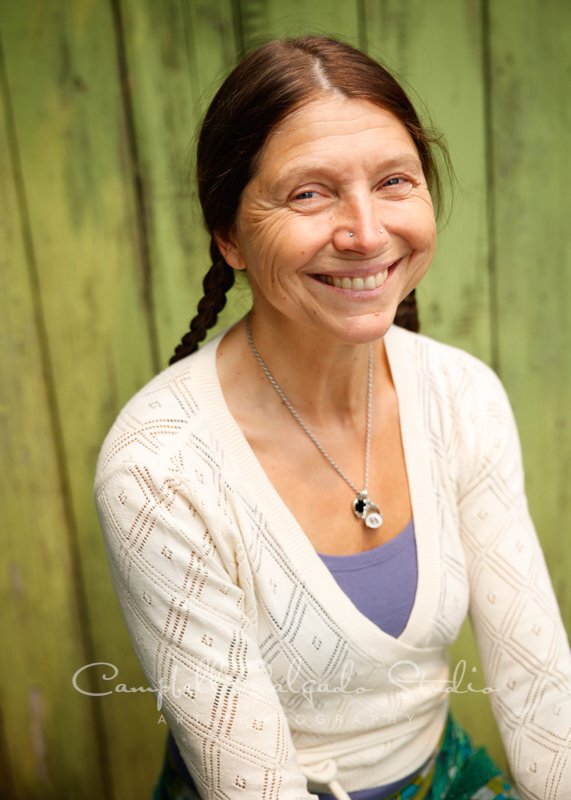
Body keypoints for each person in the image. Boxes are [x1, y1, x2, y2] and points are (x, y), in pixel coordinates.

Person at [94, 36, 571, 800]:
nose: (366, 232)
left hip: (439, 778)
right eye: (309, 194)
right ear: (228, 236)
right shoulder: (158, 467)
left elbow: (540, 697)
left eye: (393, 182)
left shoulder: (462, 397)